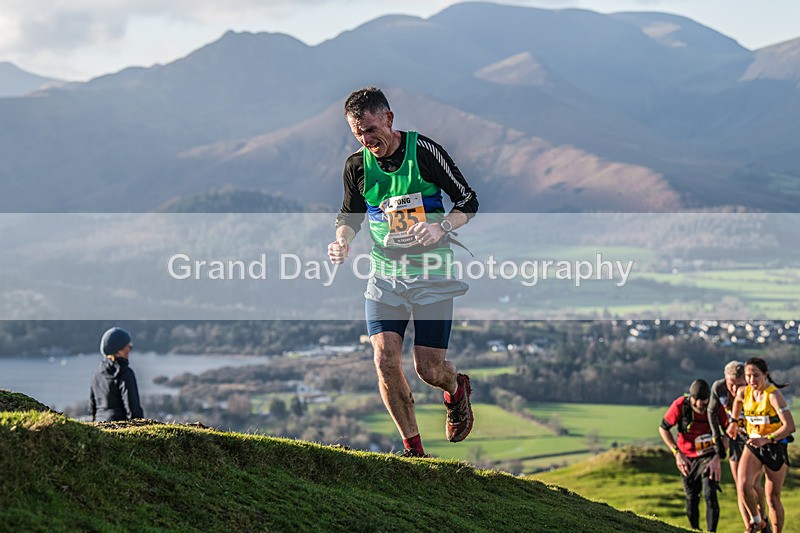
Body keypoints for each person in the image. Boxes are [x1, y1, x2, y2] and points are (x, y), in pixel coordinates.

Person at [328, 87, 478, 457]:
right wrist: (342, 241)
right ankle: (415, 451)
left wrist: (440, 227)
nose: (366, 139)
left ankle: (456, 388)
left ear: (389, 119)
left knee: (429, 369)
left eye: (371, 129)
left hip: (432, 272)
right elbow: (350, 215)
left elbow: (468, 202)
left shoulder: (424, 152)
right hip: (384, 275)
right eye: (358, 133)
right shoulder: (357, 165)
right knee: (383, 359)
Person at [728, 357, 795, 533]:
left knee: (772, 498)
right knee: (743, 485)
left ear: (765, 375)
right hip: (754, 444)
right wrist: (733, 422)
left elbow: (790, 426)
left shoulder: (773, 395)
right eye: (748, 376)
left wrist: (768, 438)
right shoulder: (744, 392)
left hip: (774, 446)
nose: (752, 380)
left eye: (756, 376)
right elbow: (737, 401)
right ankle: (757, 521)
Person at [709, 361, 771, 532]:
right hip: (737, 438)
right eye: (731, 385)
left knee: (753, 483)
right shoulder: (719, 388)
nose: (736, 390)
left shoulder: (757, 389)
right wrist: (717, 438)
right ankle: (750, 524)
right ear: (725, 379)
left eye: (740, 385)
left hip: (755, 439)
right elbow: (711, 412)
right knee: (741, 486)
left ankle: (763, 519)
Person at [659, 379, 726, 532]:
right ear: (691, 398)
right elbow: (663, 428)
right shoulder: (680, 406)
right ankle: (695, 529)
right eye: (697, 401)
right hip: (686, 457)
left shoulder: (715, 407)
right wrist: (677, 454)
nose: (700, 405)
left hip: (709, 456)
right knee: (692, 498)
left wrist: (717, 458)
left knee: (710, 494)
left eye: (704, 401)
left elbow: (729, 433)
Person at [89, 327, 144, 422]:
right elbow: (133, 410)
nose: (130, 349)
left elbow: (93, 407)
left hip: (99, 428)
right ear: (119, 350)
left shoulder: (97, 374)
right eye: (129, 346)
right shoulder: (125, 373)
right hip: (119, 429)